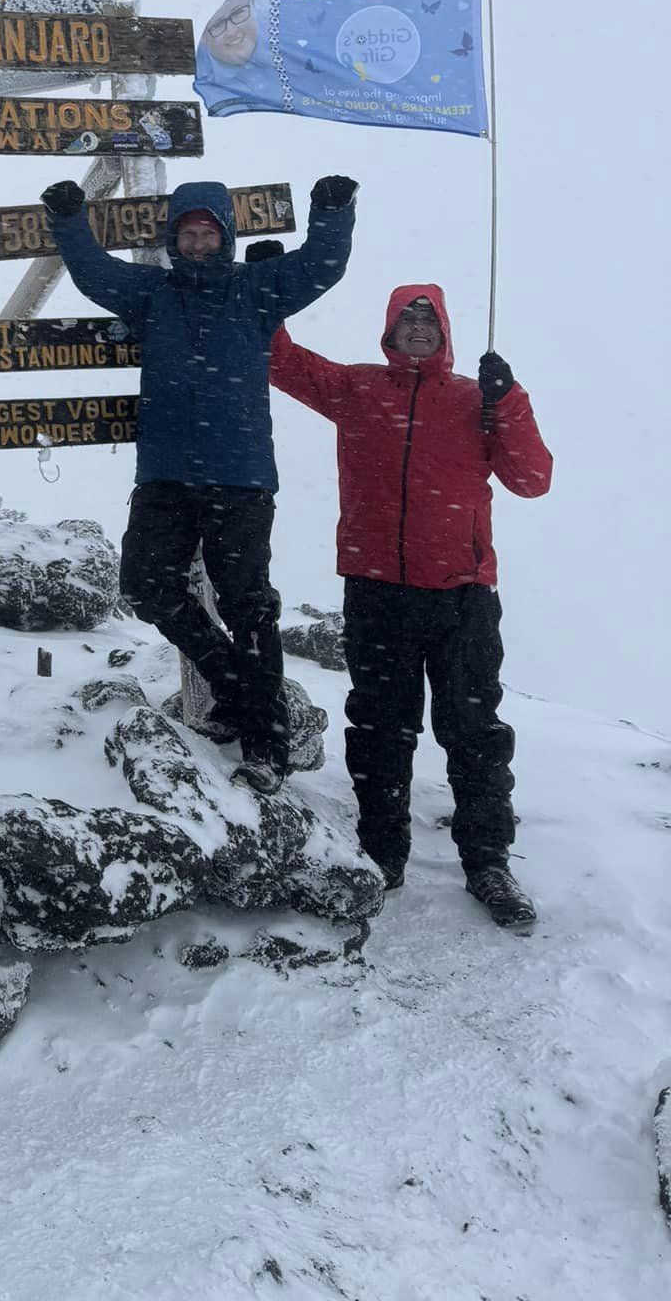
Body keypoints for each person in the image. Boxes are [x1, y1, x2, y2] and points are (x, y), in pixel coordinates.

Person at [41, 175, 357, 795]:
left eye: (207, 233)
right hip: (165, 475)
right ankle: (237, 685)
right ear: (171, 239)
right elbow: (93, 273)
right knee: (146, 586)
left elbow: (322, 265)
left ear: (226, 237)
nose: (196, 242)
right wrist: (69, 220)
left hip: (239, 479)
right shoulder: (152, 293)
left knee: (248, 606)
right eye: (186, 233)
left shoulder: (256, 288)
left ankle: (265, 744)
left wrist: (332, 211)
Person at [269, 288, 551, 927]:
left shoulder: (478, 398)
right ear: (389, 331)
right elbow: (279, 359)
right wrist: (274, 295)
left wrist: (508, 400)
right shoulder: (357, 388)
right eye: (406, 318)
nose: (417, 327)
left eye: (428, 319)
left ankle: (488, 863)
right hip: (377, 591)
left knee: (474, 734)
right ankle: (380, 855)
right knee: (378, 729)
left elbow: (533, 479)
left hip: (463, 594)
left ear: (444, 331)